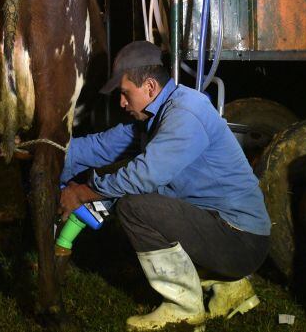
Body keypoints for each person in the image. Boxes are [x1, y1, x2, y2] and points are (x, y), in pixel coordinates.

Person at [58, 40, 270, 330]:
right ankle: (230, 289)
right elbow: (99, 147)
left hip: (240, 241)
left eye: (124, 93)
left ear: (149, 87)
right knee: (128, 186)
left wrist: (84, 192)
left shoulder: (186, 112)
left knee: (134, 206)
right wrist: (48, 151)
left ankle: (183, 307)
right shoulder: (152, 118)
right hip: (221, 228)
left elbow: (144, 175)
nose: (121, 103)